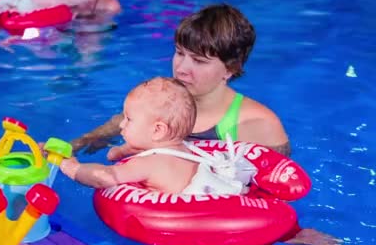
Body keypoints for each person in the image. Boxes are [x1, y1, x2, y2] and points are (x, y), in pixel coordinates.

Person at [70, 4, 359, 245]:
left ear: (229, 69)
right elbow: (115, 127)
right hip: (158, 210)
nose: (181, 68)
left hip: (222, 218)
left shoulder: (255, 123)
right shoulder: (165, 100)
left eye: (198, 61)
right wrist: (76, 144)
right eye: (179, 53)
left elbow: (270, 198)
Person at [60, 77, 249, 196]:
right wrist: (122, 150)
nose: (121, 124)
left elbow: (104, 178)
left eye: (129, 119)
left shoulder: (148, 164)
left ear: (158, 130)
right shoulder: (183, 147)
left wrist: (70, 166)